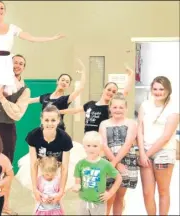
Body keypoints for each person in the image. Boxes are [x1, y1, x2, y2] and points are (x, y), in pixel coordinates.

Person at [0, 53, 30, 215]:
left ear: (23, 68)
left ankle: (5, 205)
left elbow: (16, 114)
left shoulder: (24, 90)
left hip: (8, 129)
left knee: (6, 167)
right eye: (14, 62)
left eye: (21, 63)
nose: (17, 65)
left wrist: (1, 96)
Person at [16, 105, 73, 213]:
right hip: (41, 168)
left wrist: (61, 191)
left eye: (53, 120)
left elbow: (64, 167)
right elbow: (33, 164)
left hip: (57, 170)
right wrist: (35, 189)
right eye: (46, 120)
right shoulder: (34, 135)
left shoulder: (65, 138)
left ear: (58, 121)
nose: (49, 123)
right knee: (39, 201)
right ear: (41, 120)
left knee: (57, 202)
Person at [137, 76, 179, 215]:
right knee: (147, 193)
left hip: (164, 152)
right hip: (145, 150)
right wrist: (142, 152)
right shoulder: (145, 105)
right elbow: (140, 129)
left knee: (163, 190)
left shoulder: (173, 108)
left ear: (168, 90)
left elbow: (166, 137)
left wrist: (146, 155)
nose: (158, 92)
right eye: (155, 88)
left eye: (161, 89)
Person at [60, 64, 134, 133]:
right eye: (109, 90)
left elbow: (125, 92)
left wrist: (131, 75)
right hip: (88, 138)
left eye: (114, 92)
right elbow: (75, 110)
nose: (111, 92)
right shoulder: (90, 104)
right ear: (103, 90)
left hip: (101, 139)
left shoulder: (111, 108)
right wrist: (59, 112)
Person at [99, 92, 138, 215]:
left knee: (120, 196)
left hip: (126, 161)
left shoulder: (131, 123)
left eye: (121, 107)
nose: (118, 110)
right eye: (115, 107)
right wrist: (114, 165)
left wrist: (117, 164)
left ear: (126, 108)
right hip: (108, 161)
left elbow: (127, 144)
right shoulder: (104, 124)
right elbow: (104, 144)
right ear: (110, 108)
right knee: (108, 195)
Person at [72, 131, 122, 215]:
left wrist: (110, 193)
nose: (91, 149)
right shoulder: (80, 164)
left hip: (99, 203)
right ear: (84, 147)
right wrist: (77, 186)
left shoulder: (105, 164)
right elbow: (78, 180)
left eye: (95, 146)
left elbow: (119, 178)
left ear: (100, 148)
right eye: (88, 146)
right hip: (83, 202)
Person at [29, 58, 86, 130]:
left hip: (58, 130)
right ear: (57, 81)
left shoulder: (65, 99)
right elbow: (29, 100)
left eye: (67, 82)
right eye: (63, 80)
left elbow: (81, 88)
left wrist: (83, 71)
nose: (64, 82)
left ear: (68, 86)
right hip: (44, 129)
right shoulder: (45, 97)